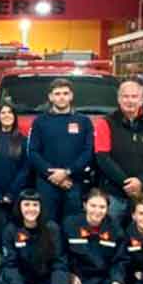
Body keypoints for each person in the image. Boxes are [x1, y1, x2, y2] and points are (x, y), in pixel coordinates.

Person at [93, 78, 143, 227]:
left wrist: (141, 181)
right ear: (119, 99)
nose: (130, 101)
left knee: (142, 238)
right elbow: (102, 157)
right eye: (126, 96)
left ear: (141, 99)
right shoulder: (105, 122)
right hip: (114, 195)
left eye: (134, 97)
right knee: (110, 233)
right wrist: (127, 183)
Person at [61, 189, 127, 284]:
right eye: (93, 205)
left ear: (107, 209)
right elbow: (61, 255)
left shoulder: (115, 229)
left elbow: (120, 260)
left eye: (102, 207)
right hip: (81, 279)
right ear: (85, 205)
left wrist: (117, 281)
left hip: (105, 278)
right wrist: (69, 275)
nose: (97, 211)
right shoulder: (70, 224)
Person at [28, 78, 94, 222]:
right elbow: (32, 152)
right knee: (47, 226)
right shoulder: (40, 121)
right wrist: (52, 174)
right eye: (57, 94)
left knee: (73, 225)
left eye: (65, 93)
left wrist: (67, 172)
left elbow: (88, 152)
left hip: (74, 182)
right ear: (50, 97)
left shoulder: (84, 121)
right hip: (46, 183)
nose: (62, 97)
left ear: (71, 96)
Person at [0, 189, 66, 284]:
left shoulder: (52, 228)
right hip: (23, 275)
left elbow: (60, 263)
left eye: (35, 205)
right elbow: (9, 265)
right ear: (19, 206)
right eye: (26, 204)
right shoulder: (10, 230)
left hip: (45, 275)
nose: (31, 209)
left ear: (41, 207)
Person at [0, 102, 29, 256]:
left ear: (14, 117)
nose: (6, 115)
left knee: (14, 234)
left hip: (14, 197)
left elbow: (24, 170)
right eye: (3, 112)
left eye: (10, 112)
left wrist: (10, 194)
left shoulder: (22, 140)